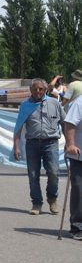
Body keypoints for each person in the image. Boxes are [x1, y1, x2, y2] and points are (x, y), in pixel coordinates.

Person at [13, 78, 64, 215]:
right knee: (33, 175)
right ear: (30, 90)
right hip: (33, 144)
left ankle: (52, 198)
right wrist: (16, 146)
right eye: (35, 89)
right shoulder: (25, 106)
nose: (38, 91)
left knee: (54, 173)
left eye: (41, 89)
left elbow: (65, 123)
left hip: (51, 143)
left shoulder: (55, 103)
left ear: (45, 89)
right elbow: (18, 127)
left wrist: (70, 143)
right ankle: (36, 203)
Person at [61, 98, 82, 240]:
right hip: (79, 155)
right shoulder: (80, 101)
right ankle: (77, 226)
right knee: (80, 191)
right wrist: (70, 144)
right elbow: (69, 123)